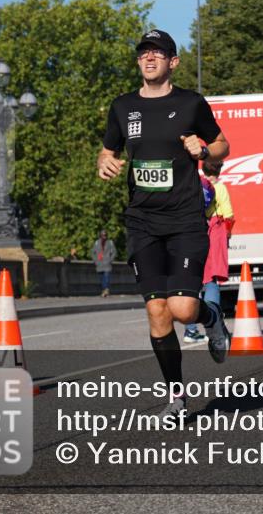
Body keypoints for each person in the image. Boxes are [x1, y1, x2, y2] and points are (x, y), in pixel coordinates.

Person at [97, 28, 231, 420]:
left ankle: (211, 317)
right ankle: (177, 398)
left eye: (158, 53)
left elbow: (223, 145)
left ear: (173, 61)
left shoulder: (190, 103)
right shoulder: (122, 107)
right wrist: (104, 161)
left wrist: (204, 149)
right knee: (157, 310)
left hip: (186, 220)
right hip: (142, 222)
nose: (149, 58)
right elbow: (109, 148)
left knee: (183, 310)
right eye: (144, 53)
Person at [184, 159, 235, 344]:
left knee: (192, 280)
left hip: (192, 233)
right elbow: (228, 216)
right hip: (213, 233)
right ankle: (212, 327)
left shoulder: (193, 183)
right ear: (220, 170)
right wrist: (227, 236)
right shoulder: (220, 188)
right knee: (211, 280)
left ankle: (190, 330)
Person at [91, 229, 116, 297]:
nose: (104, 236)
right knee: (101, 279)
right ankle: (104, 290)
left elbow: (114, 252)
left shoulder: (110, 242)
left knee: (107, 278)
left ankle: (106, 290)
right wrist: (95, 261)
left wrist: (110, 260)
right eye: (103, 235)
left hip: (107, 264)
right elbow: (93, 253)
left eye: (105, 235)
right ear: (100, 236)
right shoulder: (97, 242)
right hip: (99, 264)